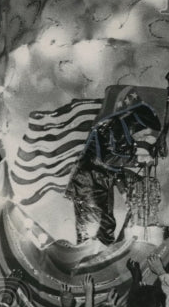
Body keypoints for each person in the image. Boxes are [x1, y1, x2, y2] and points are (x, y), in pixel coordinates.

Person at [64, 92, 162, 245]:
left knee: (106, 224)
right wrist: (138, 158)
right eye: (144, 133)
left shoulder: (121, 132)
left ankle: (104, 256)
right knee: (92, 227)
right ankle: (90, 260)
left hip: (99, 182)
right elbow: (108, 158)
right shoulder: (112, 127)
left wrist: (124, 192)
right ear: (138, 124)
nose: (142, 138)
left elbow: (115, 168)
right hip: (88, 183)